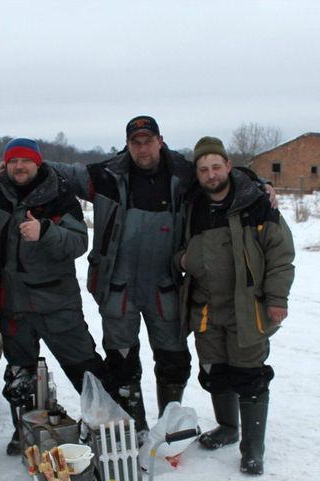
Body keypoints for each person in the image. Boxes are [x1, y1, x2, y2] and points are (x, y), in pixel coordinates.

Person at [53, 116, 276, 437]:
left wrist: (259, 182)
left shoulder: (184, 174)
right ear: (128, 145)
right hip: (118, 285)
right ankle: (136, 427)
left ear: (160, 140)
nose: (142, 148)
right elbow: (58, 172)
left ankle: (168, 425)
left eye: (148, 140)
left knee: (174, 358)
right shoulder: (105, 176)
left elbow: (224, 176)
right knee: (122, 358)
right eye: (135, 142)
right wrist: (15, 164)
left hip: (165, 283)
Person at [174, 136, 295, 475]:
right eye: (203, 169)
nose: (210, 175)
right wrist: (184, 257)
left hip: (249, 308)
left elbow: (280, 255)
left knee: (250, 376)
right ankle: (228, 429)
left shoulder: (256, 203)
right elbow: (175, 247)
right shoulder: (192, 207)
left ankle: (252, 449)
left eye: (216, 166)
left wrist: (277, 299)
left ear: (228, 166)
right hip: (207, 309)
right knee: (215, 372)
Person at [0, 138, 106, 455]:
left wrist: (46, 232)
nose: (19, 167)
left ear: (38, 163)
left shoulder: (58, 193)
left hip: (56, 303)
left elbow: (79, 241)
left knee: (85, 368)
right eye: (13, 162)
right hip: (12, 304)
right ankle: (24, 432)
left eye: (25, 161)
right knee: (19, 374)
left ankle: (103, 427)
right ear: (5, 165)